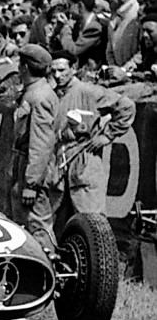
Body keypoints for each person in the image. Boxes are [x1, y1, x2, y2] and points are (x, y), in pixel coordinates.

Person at [41, 54, 136, 226]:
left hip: (84, 158)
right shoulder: (53, 95)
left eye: (62, 70)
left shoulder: (89, 91)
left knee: (91, 221)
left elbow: (127, 107)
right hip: (58, 161)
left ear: (73, 69)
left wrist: (107, 135)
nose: (57, 75)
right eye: (53, 71)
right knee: (56, 222)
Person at [8, 46, 59, 250]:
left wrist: (31, 184)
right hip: (22, 165)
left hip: (30, 170)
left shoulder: (40, 97)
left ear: (25, 68)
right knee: (22, 225)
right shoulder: (33, 93)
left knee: (37, 225)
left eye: (20, 65)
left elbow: (41, 144)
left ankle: (51, 271)